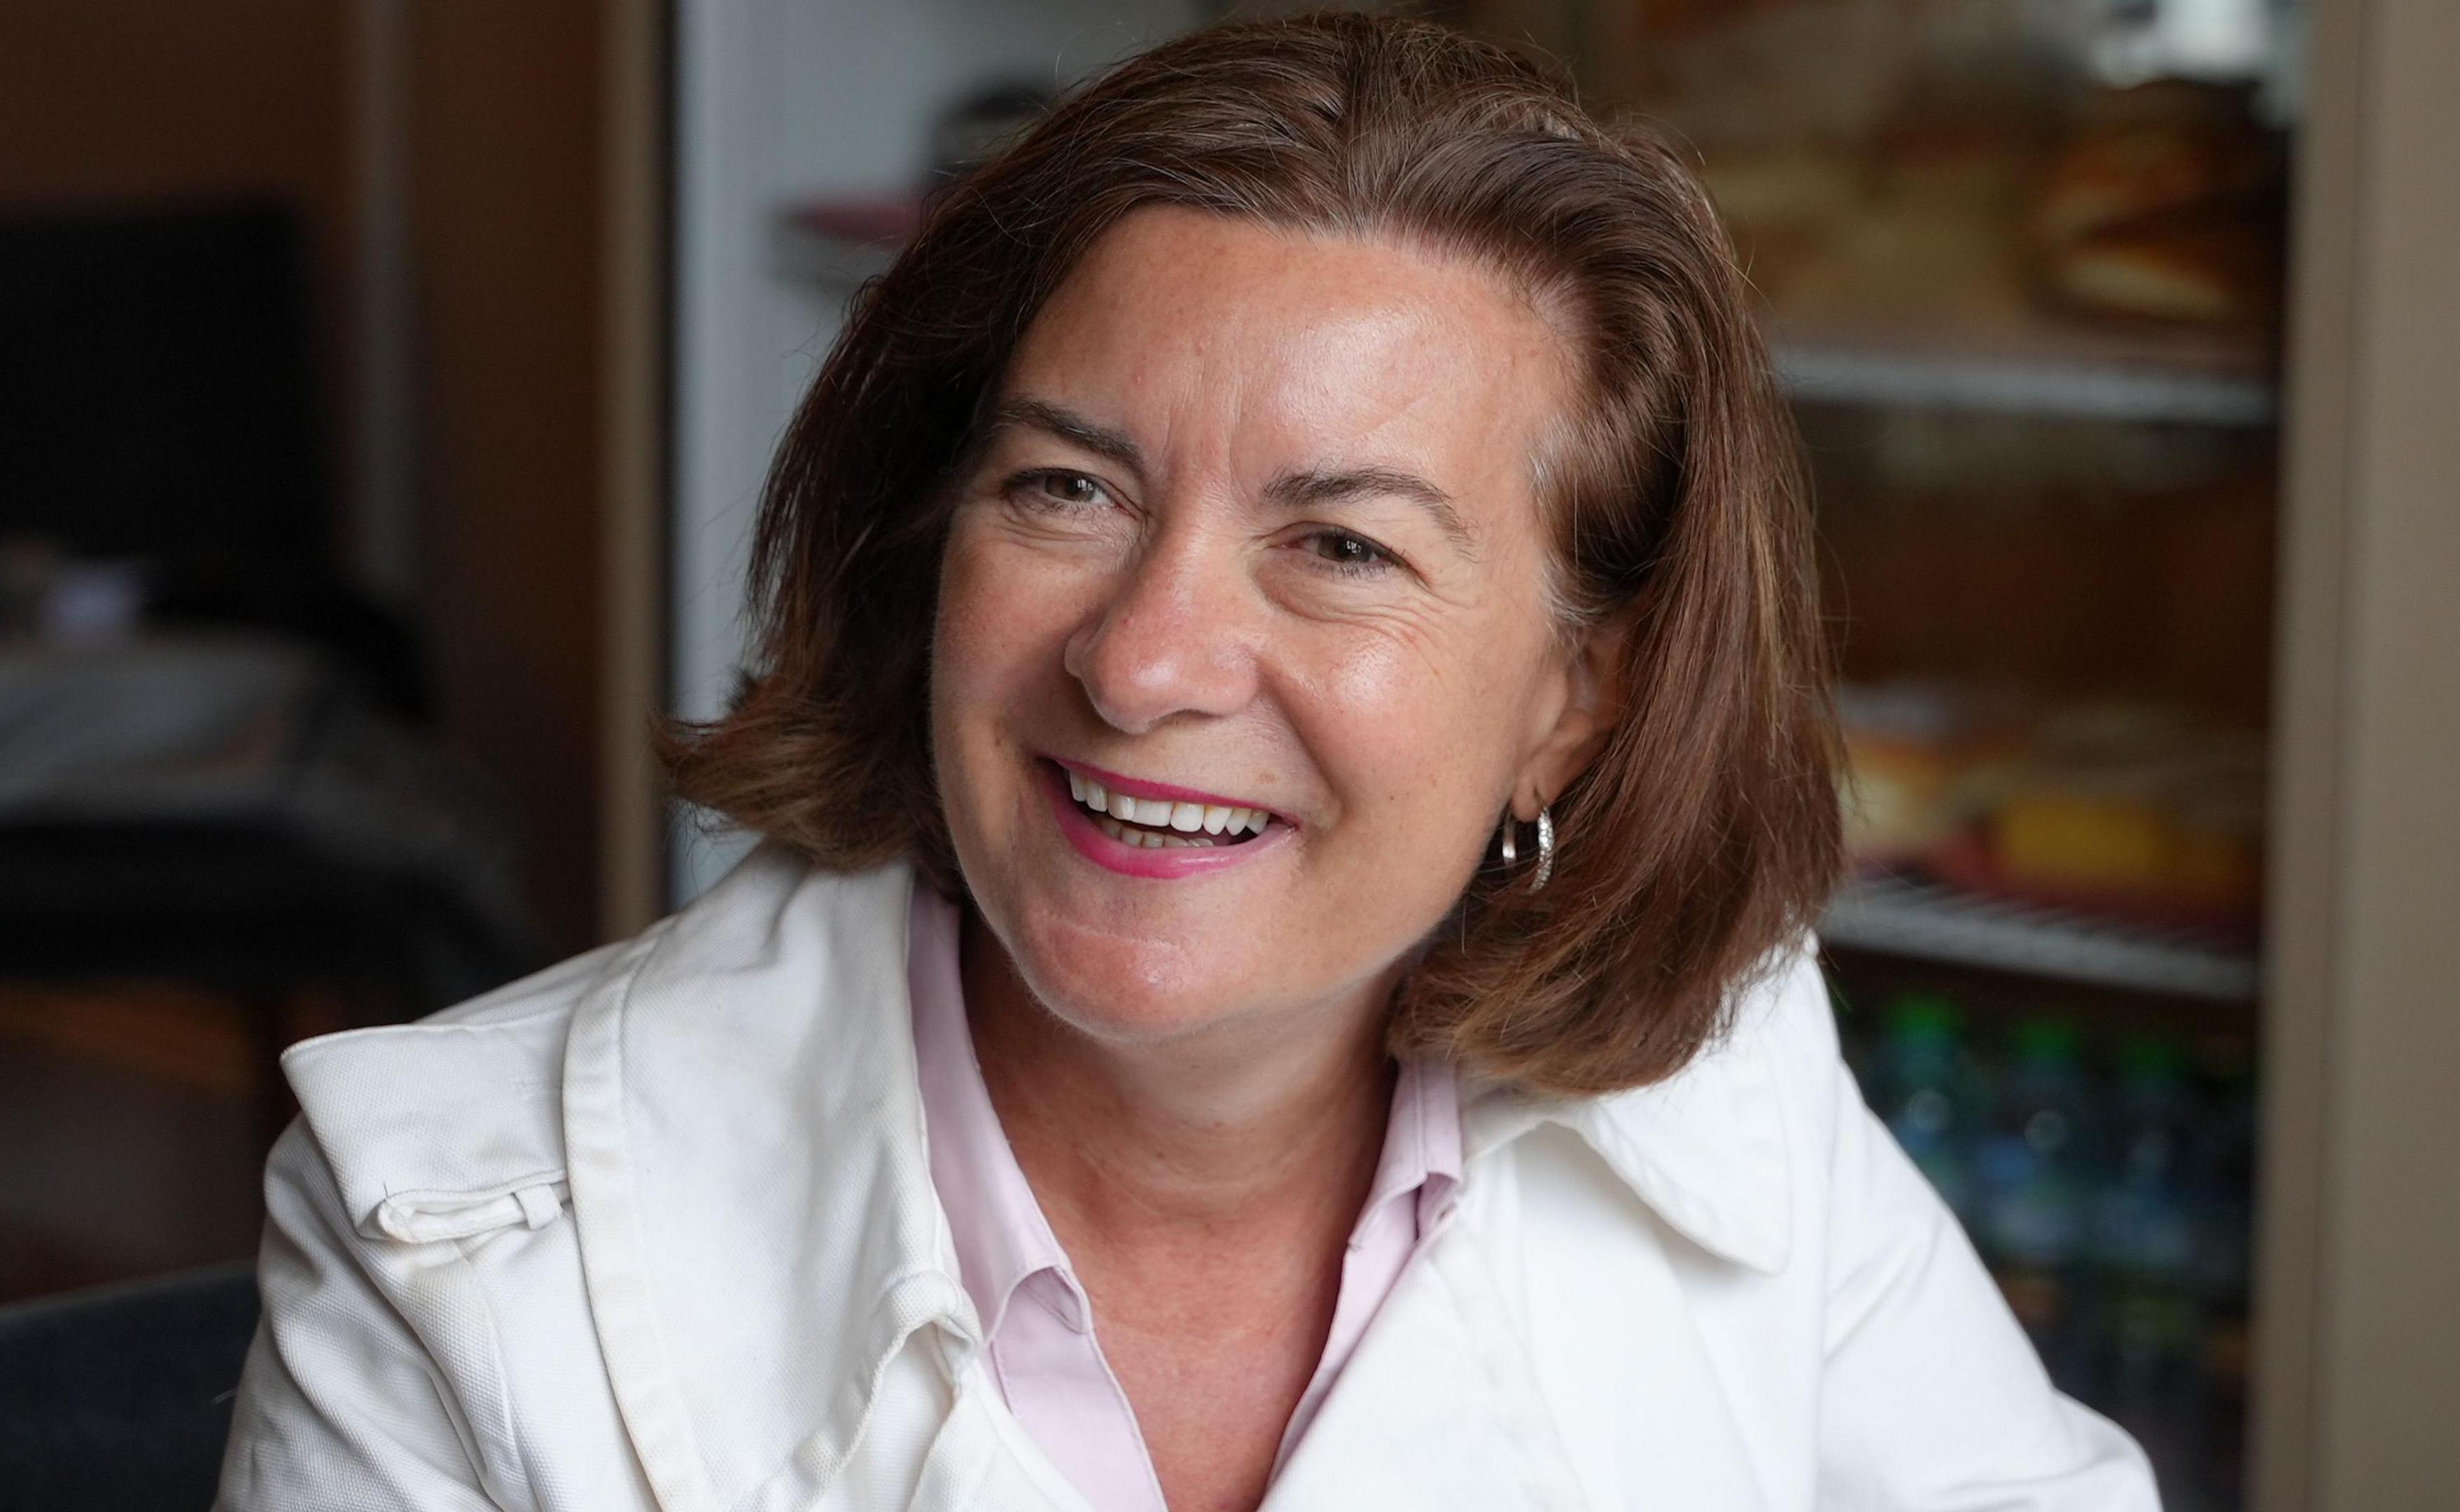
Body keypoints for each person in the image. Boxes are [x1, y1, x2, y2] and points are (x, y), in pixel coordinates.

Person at [216, 15, 2158, 1511]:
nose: (1144, 661)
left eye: (1341, 548)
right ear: (930, 536)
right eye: (1069, 488)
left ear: (1580, 691)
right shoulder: (445, 1231)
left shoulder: (1726, 1083)